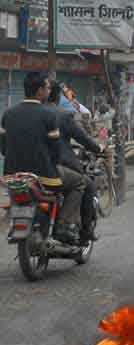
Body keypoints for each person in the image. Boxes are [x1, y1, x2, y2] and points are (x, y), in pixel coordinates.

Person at [0, 72, 84, 244]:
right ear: (39, 91)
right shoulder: (48, 115)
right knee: (80, 182)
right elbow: (55, 152)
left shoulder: (8, 114)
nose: (48, 90)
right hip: (43, 176)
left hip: (12, 176)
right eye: (46, 87)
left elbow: (3, 148)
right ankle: (63, 224)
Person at [48, 82, 104, 242]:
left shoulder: (27, 113)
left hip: (25, 170)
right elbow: (83, 138)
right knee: (85, 184)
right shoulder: (64, 115)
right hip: (55, 167)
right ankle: (78, 229)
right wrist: (98, 148)